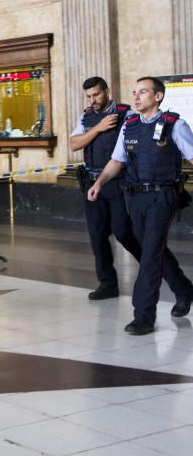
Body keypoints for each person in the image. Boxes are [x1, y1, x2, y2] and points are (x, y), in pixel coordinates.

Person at [70, 76, 191, 303]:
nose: (93, 100)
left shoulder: (129, 116)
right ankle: (109, 285)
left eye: (96, 94)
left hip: (127, 186)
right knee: (98, 237)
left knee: (128, 235)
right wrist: (98, 128)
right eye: (89, 96)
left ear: (107, 91)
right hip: (97, 181)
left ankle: (158, 283)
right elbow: (76, 144)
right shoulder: (87, 117)